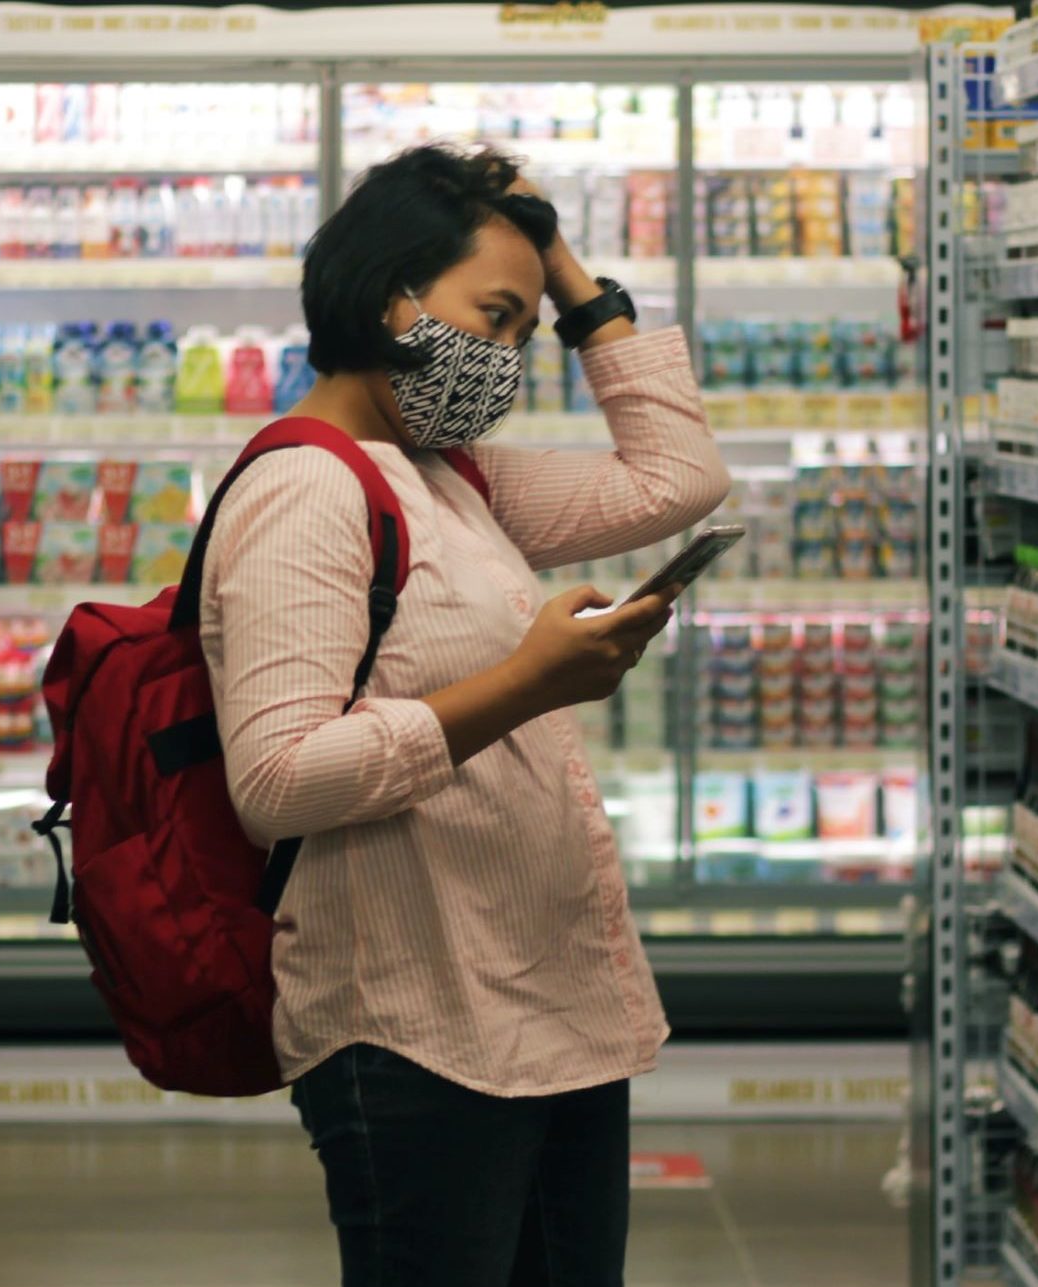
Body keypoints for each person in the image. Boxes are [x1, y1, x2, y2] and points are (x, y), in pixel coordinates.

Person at [196, 143, 730, 1286]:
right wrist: (526, 686)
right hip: (413, 1027)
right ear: (395, 299)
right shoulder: (308, 486)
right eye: (492, 318)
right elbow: (277, 781)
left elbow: (677, 479)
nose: (507, 359)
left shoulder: (451, 475)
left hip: (542, 1007)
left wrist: (565, 271)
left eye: (525, 334)